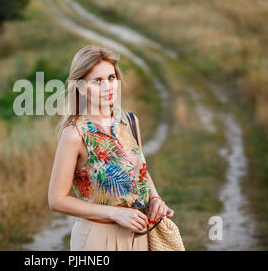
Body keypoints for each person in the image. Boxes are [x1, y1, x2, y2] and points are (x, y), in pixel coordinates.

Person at [48, 45, 174, 251]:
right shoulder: (75, 135)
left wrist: (155, 198)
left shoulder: (130, 121)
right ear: (80, 87)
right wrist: (115, 213)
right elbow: (56, 200)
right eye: (97, 81)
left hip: (138, 236)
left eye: (111, 78)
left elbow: (140, 171)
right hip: (97, 239)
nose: (108, 86)